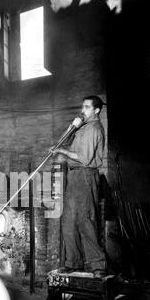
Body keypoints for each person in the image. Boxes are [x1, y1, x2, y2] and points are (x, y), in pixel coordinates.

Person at [52, 96, 107, 278]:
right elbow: (62, 143)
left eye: (87, 107)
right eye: (82, 106)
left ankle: (97, 265)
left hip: (85, 175)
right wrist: (71, 127)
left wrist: (62, 152)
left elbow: (84, 158)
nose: (82, 110)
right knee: (69, 220)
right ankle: (72, 262)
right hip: (74, 175)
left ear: (96, 110)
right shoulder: (81, 127)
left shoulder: (94, 128)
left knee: (86, 219)